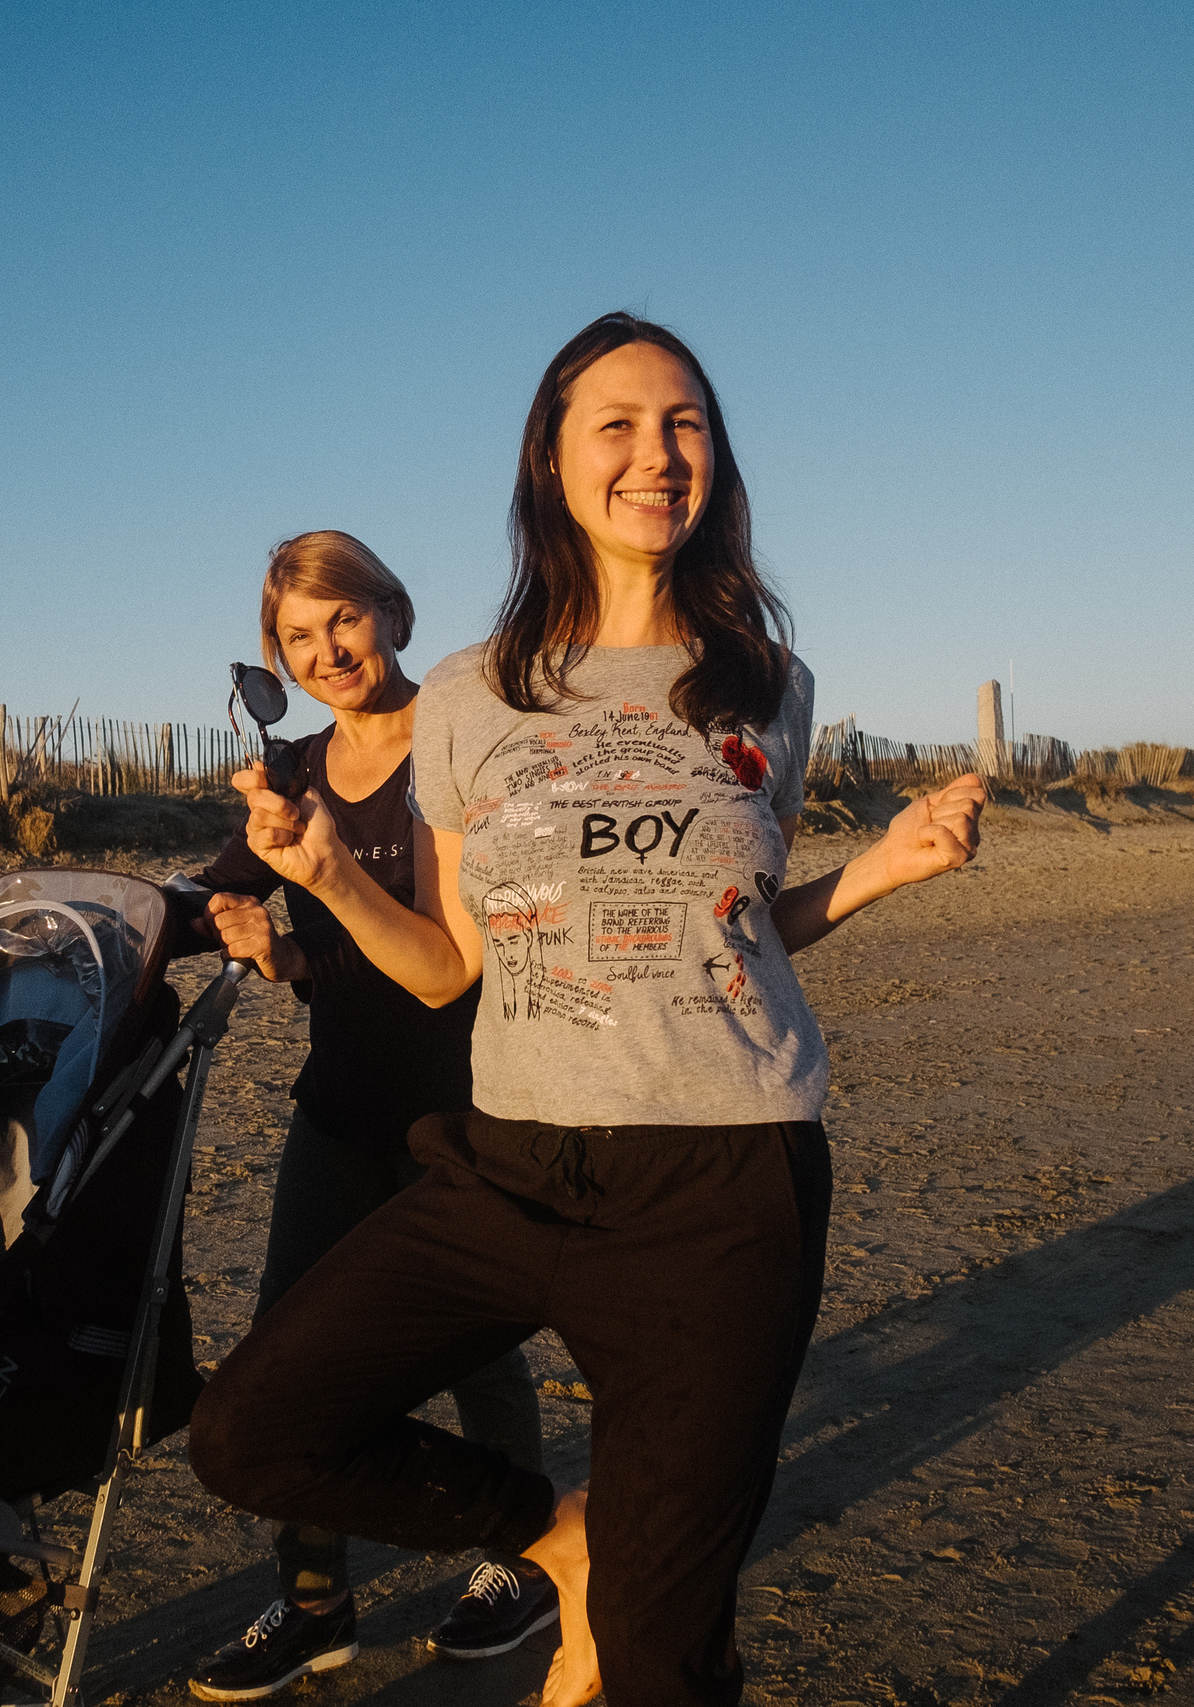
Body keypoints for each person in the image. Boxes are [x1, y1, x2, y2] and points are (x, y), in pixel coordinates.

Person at [192, 313, 987, 1707]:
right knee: (252, 1427)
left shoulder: (770, 688)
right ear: (552, 463)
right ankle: (552, 1535)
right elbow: (446, 967)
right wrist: (321, 872)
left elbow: (740, 925)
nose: (655, 452)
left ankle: (614, 1592)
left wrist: (878, 871)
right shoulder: (468, 696)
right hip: (512, 1161)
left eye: (685, 421)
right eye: (615, 423)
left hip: (726, 1183)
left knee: (662, 1655)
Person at [185, 531, 558, 1701]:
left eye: (341, 619)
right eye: (296, 638)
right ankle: (312, 1600)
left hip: (466, 1109)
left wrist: (302, 942)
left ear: (391, 613)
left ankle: (525, 1562)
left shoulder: (457, 746)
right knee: (288, 1353)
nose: (324, 650)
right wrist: (239, 930)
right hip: (341, 1108)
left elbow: (455, 961)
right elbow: (218, 893)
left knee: (483, 1356)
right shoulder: (289, 769)